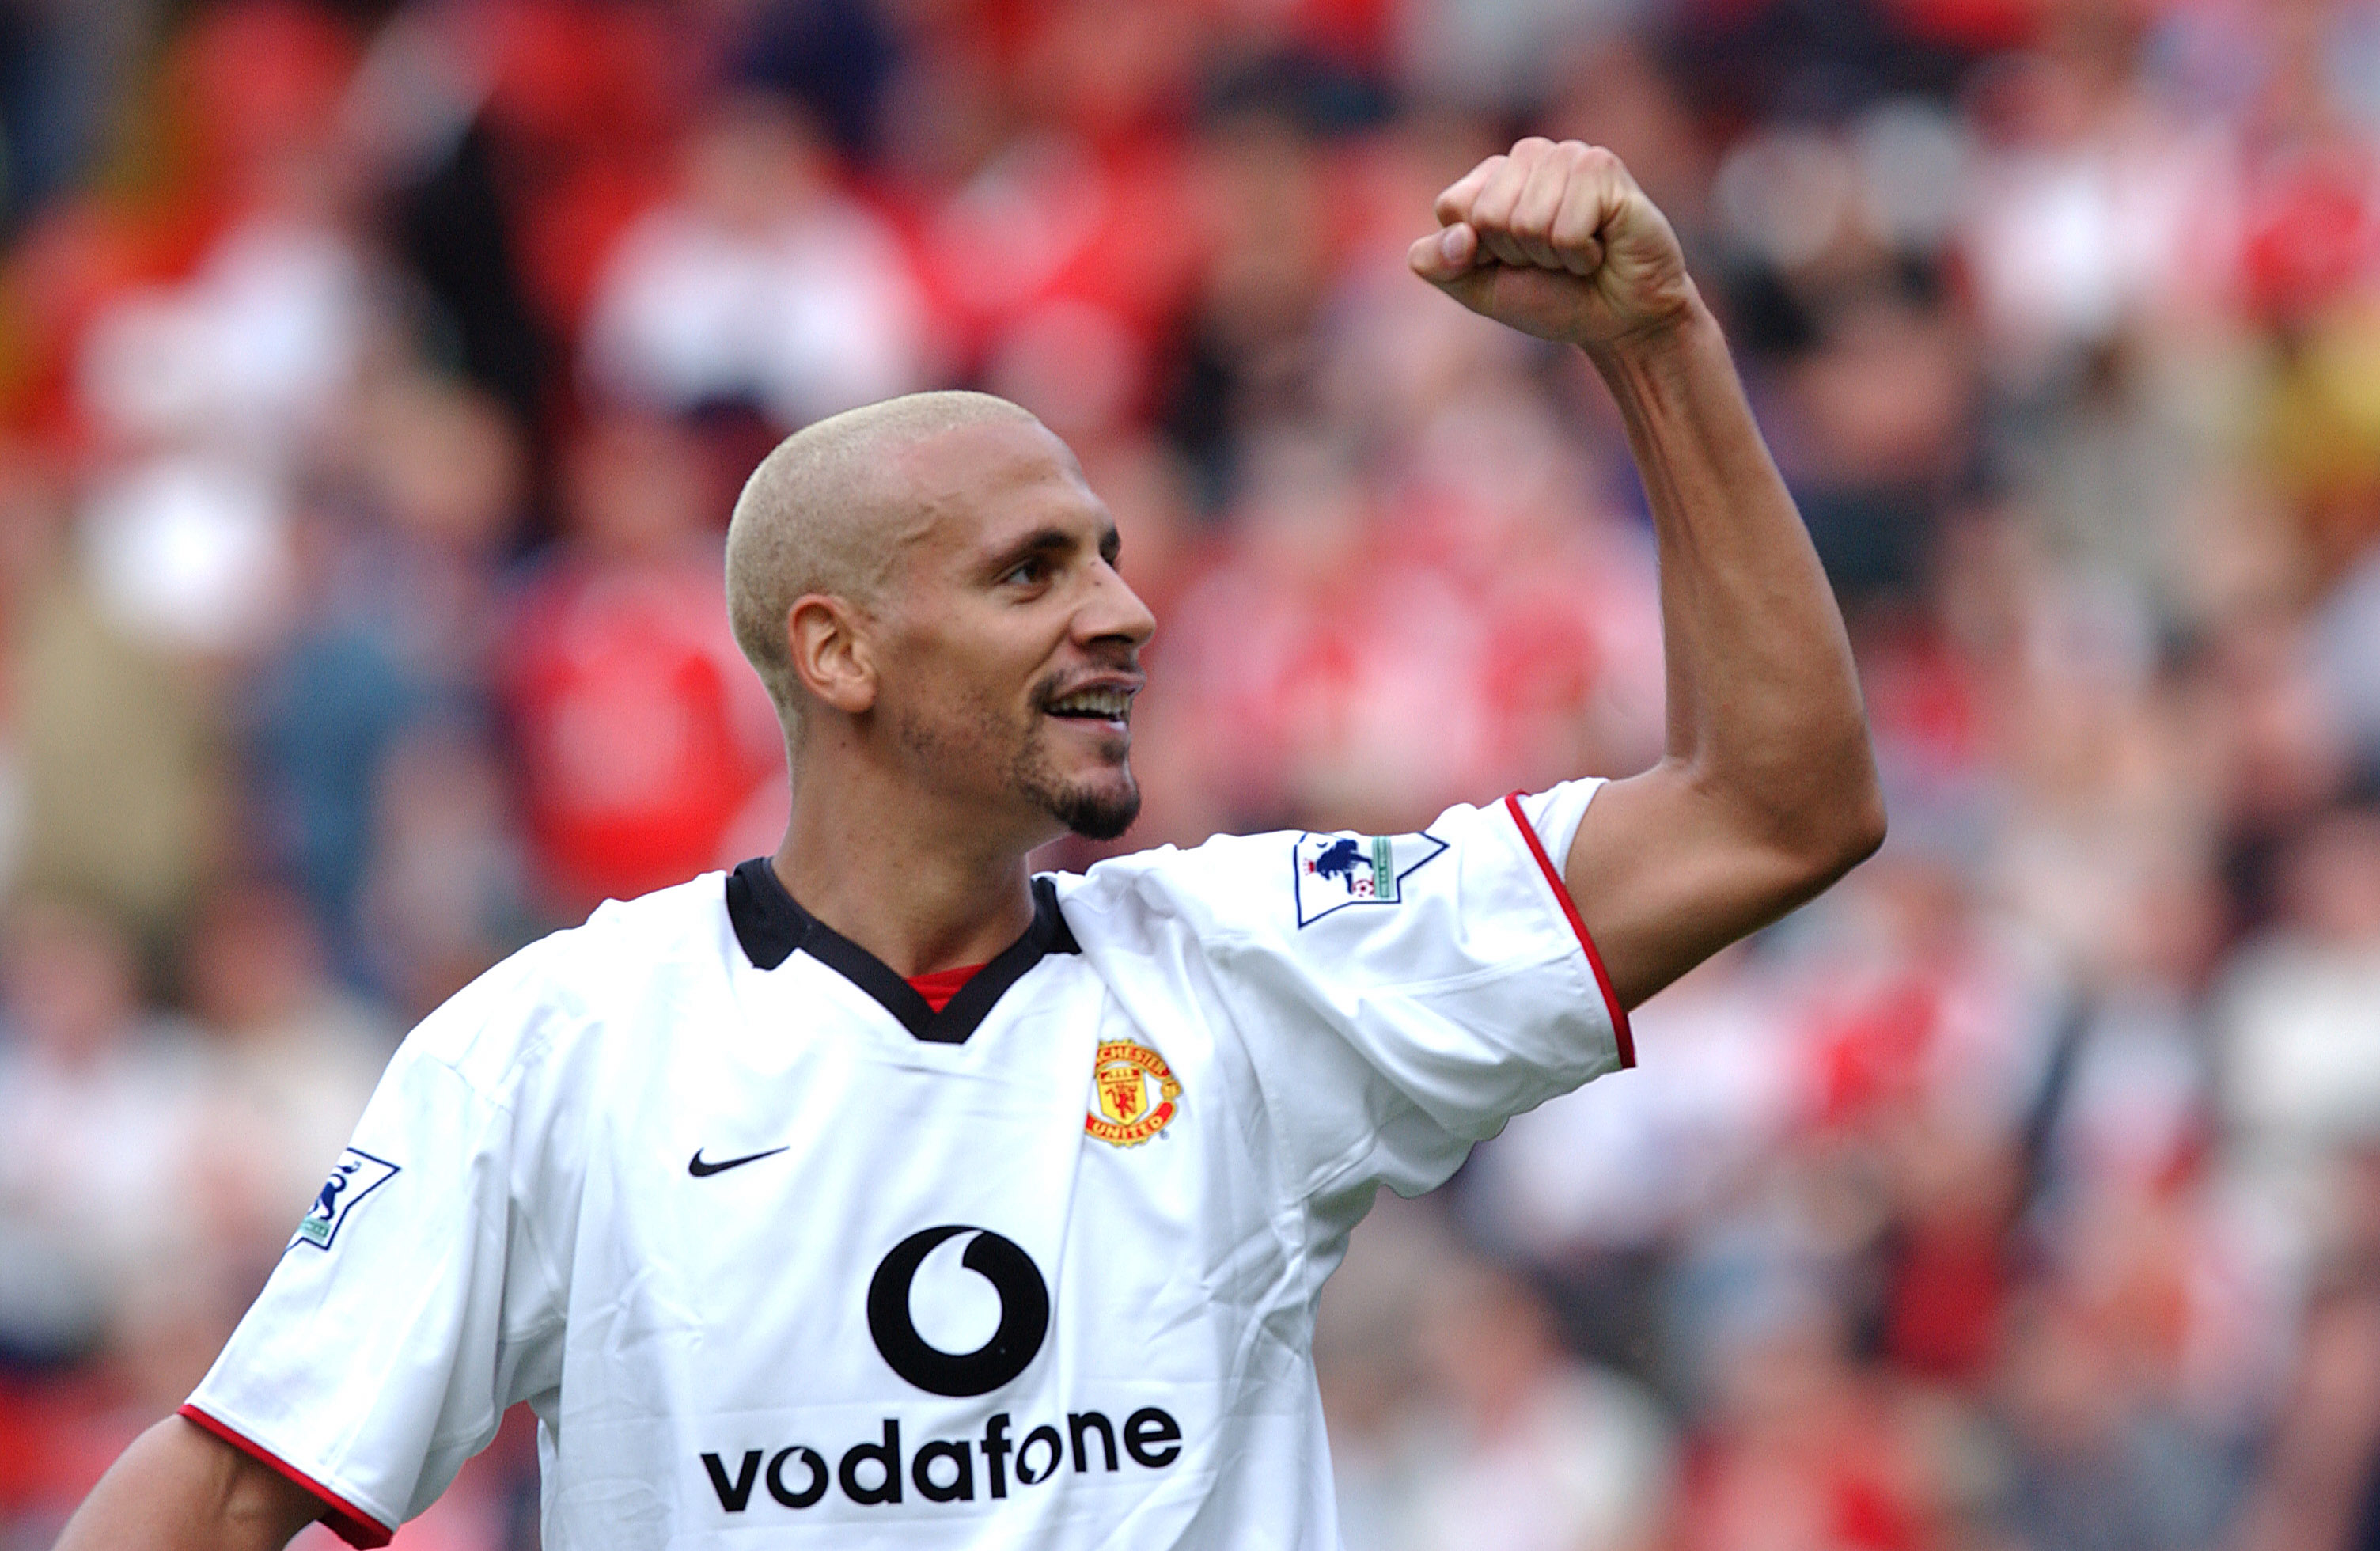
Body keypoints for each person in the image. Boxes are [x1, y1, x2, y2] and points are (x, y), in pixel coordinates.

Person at [55, 138, 1883, 1550]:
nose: (1127, 610)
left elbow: (1773, 809)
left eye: (1107, 550)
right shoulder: (554, 1049)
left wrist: (1658, 347)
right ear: (835, 652)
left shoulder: (1258, 970)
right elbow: (223, 1491)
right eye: (1033, 571)